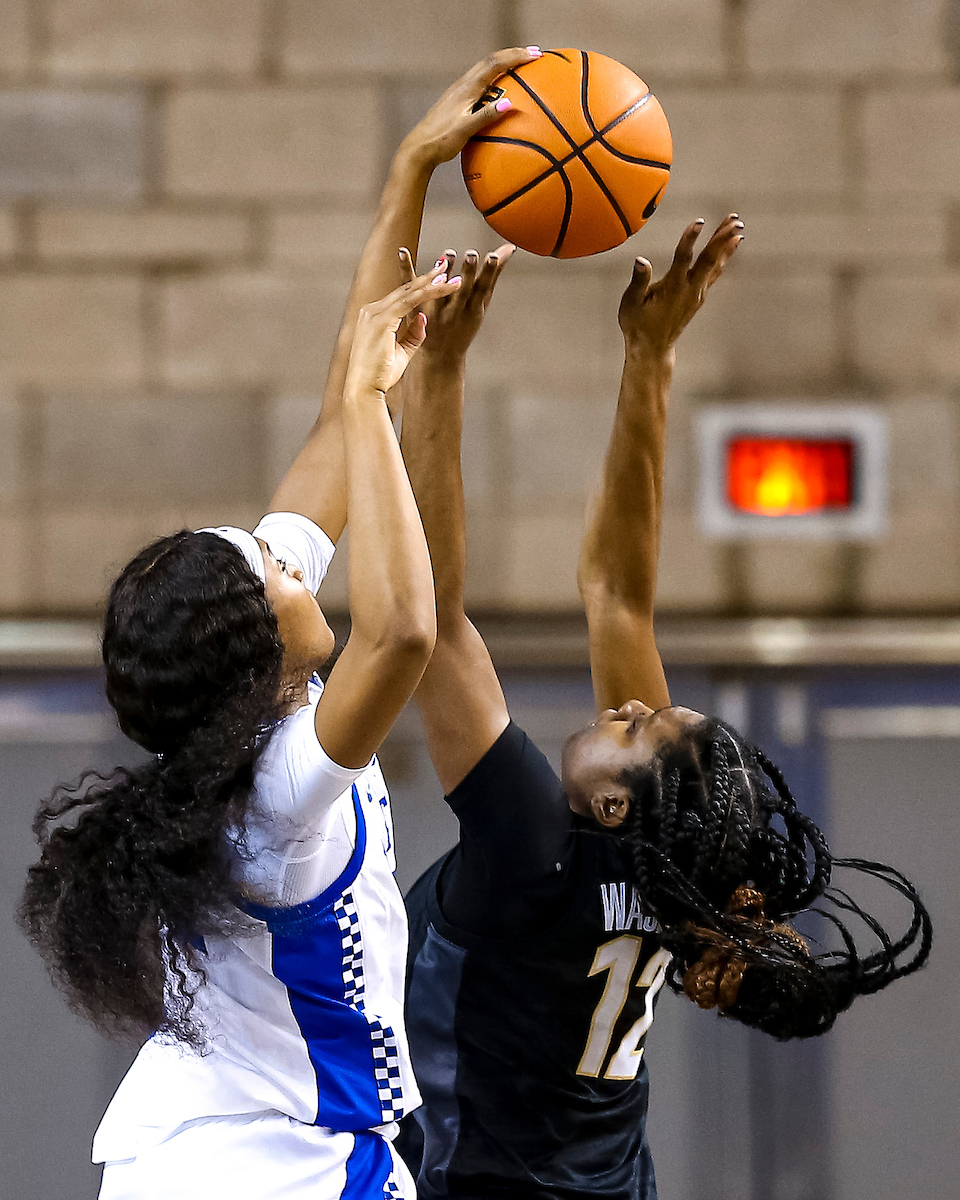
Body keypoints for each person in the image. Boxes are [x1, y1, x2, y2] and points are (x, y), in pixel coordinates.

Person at [18, 48, 542, 1200]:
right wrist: (370, 403)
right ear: (260, 659)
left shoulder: (235, 732)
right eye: (276, 575)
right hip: (271, 1172)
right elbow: (401, 632)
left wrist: (413, 167)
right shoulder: (277, 794)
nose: (293, 560)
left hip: (204, 1155)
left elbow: (331, 415)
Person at [395, 220, 933, 1200]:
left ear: (614, 805)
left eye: (638, 725)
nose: (635, 704)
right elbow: (619, 593)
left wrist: (439, 373)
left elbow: (429, 625)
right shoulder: (672, 865)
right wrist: (650, 357)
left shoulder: (531, 841)